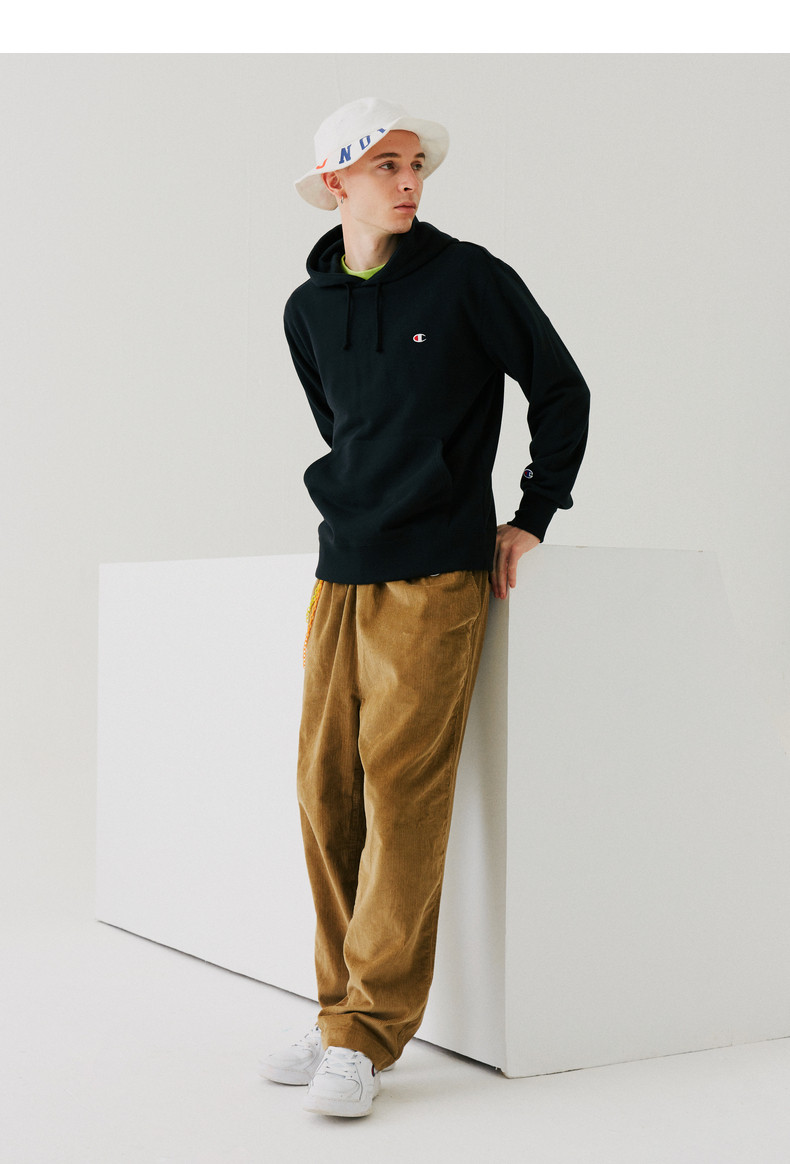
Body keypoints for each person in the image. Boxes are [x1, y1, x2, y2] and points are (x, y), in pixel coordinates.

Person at [260, 96, 590, 1118]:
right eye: (386, 166)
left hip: (440, 572)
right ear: (335, 183)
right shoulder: (307, 309)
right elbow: (345, 428)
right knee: (326, 796)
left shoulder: (467, 278)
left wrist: (532, 513)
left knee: (402, 796)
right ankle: (336, 1013)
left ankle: (366, 1034)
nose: (409, 182)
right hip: (340, 568)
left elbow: (561, 389)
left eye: (416, 166)